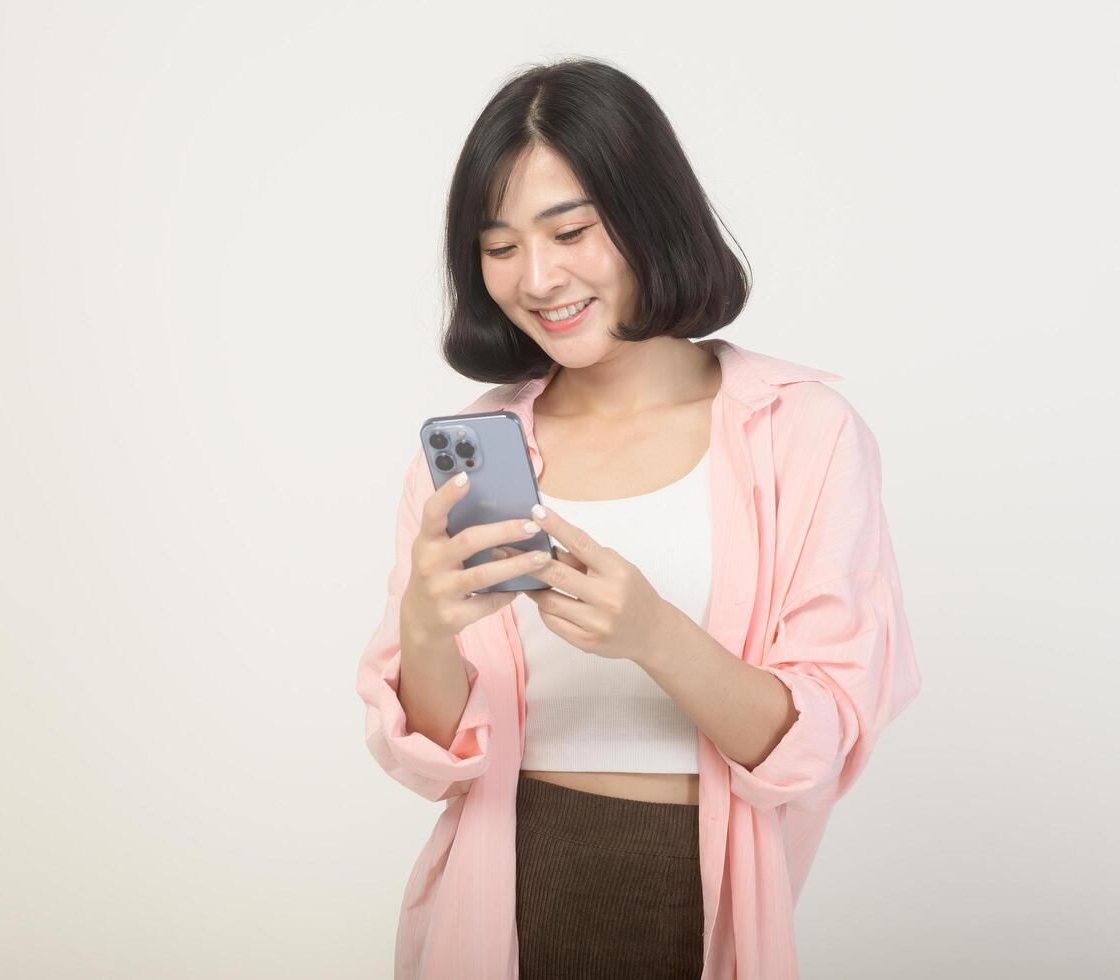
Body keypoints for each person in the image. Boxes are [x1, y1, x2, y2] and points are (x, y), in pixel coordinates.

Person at [356, 57, 922, 979]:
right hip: (497, 903)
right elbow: (433, 760)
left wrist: (656, 635)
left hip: (691, 901)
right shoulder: (475, 450)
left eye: (570, 230)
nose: (537, 278)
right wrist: (424, 625)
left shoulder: (802, 432)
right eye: (499, 248)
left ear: (649, 214)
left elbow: (819, 744)